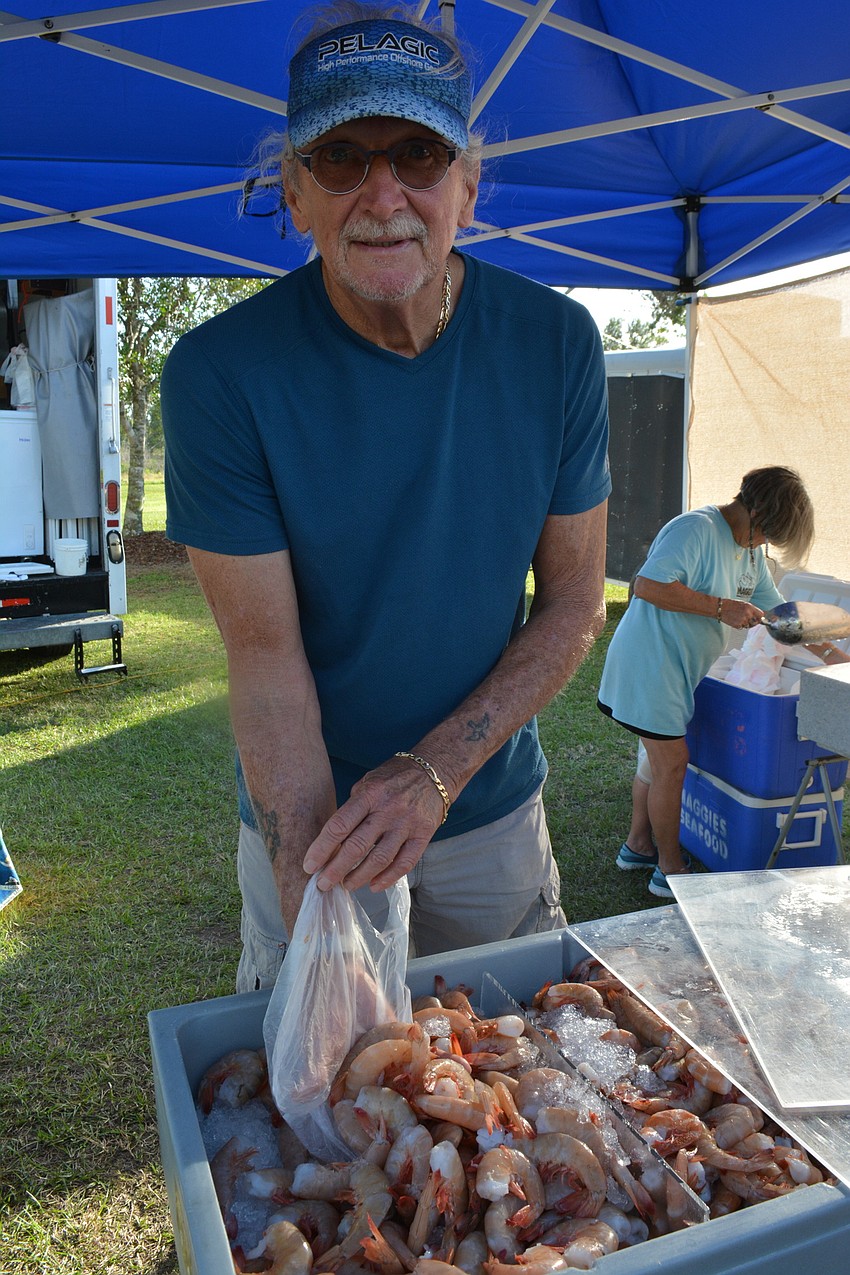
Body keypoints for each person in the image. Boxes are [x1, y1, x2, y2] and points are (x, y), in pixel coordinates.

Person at [160, 1, 611, 991]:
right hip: (314, 815)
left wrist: (435, 772)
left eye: (417, 152)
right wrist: (313, 894)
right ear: (292, 193)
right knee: (324, 1087)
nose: (382, 193)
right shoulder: (218, 374)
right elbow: (266, 666)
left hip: (487, 811)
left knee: (514, 1079)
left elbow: (574, 602)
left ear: (469, 187)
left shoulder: (557, 344)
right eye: (338, 157)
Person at [597, 466, 814, 899]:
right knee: (672, 763)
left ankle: (637, 845)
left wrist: (833, 650)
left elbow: (781, 612)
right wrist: (720, 608)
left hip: (678, 670)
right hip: (651, 664)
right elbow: (646, 585)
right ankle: (670, 870)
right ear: (756, 510)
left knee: (655, 761)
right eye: (766, 533)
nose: (764, 544)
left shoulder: (750, 551)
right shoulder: (695, 528)